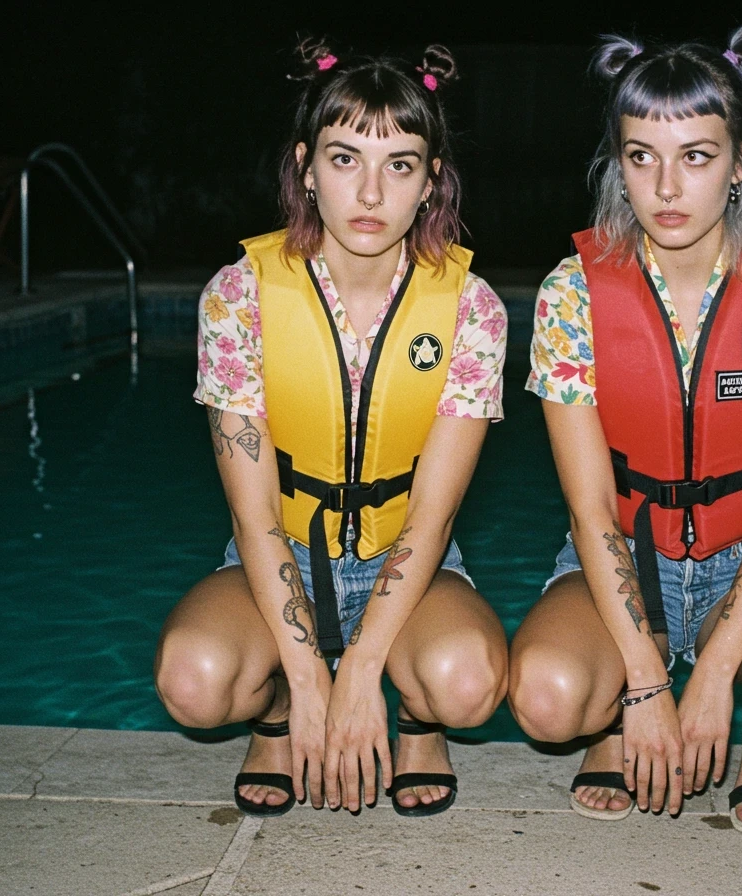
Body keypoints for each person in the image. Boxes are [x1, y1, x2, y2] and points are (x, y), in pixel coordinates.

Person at [508, 27, 742, 830]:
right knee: (546, 699)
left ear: (741, 162)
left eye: (697, 157)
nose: (666, 186)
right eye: (641, 156)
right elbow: (590, 512)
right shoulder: (572, 293)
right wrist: (648, 685)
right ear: (618, 165)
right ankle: (609, 723)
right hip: (621, 554)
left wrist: (713, 678)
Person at [154, 38, 508, 819]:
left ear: (431, 181)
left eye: (400, 165)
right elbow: (253, 514)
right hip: (281, 547)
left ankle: (420, 721)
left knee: (468, 683)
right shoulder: (239, 296)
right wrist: (312, 680)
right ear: (307, 168)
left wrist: (362, 671)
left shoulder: (471, 307)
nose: (370, 191)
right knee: (193, 681)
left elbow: (433, 514)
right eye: (346, 159)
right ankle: (276, 714)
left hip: (407, 555)